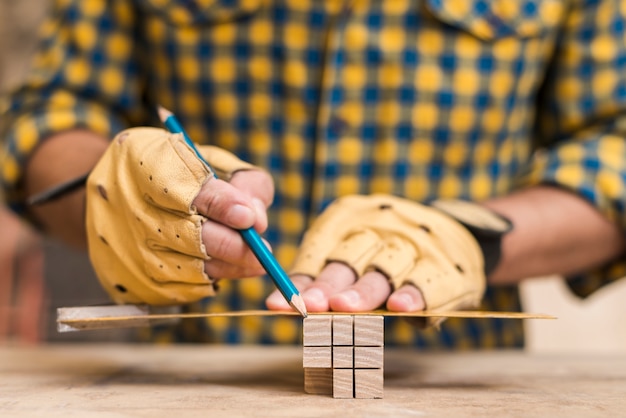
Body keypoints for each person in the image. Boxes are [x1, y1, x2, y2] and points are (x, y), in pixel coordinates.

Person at [1, 0, 626, 348]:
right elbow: (51, 112)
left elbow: (615, 143)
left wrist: (478, 236)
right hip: (189, 374)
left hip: (456, 369)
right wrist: (111, 191)